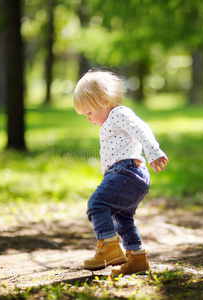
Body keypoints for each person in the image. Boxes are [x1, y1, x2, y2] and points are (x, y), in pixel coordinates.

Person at [73, 69, 168, 275]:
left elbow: (142, 129)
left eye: (89, 112)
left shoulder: (118, 113)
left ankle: (109, 246)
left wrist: (154, 152)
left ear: (103, 100)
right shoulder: (110, 121)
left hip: (127, 172)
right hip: (126, 175)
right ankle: (137, 257)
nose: (88, 119)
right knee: (123, 219)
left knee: (96, 204)